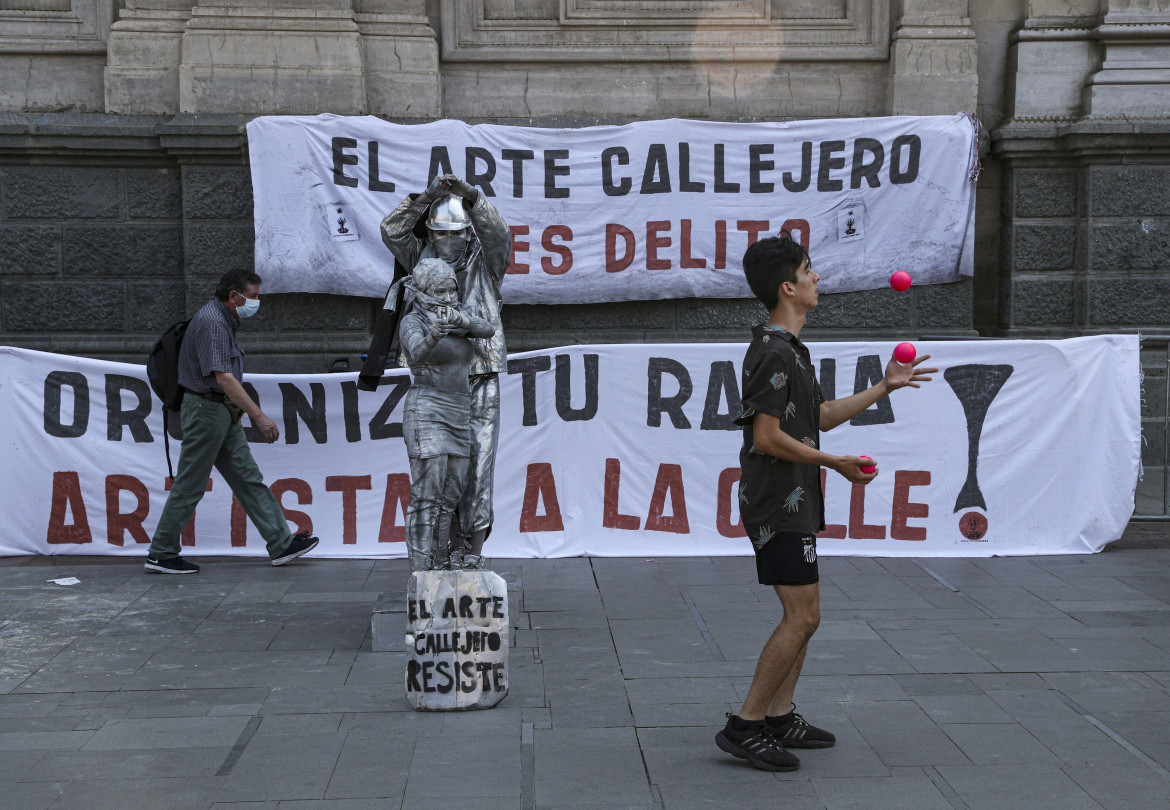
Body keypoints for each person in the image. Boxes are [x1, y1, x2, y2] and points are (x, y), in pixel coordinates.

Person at [715, 232, 936, 771]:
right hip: (776, 503)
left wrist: (886, 386)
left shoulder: (790, 350)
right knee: (802, 615)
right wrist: (833, 463)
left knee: (806, 616)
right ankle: (745, 724)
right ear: (789, 286)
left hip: (794, 498)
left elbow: (819, 418)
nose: (819, 278)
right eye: (810, 271)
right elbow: (766, 437)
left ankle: (780, 714)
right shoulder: (771, 351)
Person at [145, 269, 319, 574]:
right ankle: (161, 552)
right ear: (233, 296)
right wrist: (259, 416)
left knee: (248, 479)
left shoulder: (222, 320)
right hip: (207, 411)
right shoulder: (213, 323)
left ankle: (280, 543)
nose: (256, 302)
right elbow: (224, 378)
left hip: (220, 411)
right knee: (190, 485)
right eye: (251, 297)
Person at [379, 174, 512, 569]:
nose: (448, 242)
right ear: (431, 234)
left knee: (478, 464)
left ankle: (472, 552)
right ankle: (443, 549)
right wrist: (428, 196)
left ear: (468, 233)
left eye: (456, 234)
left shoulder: (485, 261)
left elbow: (499, 233)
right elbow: (392, 228)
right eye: (440, 234)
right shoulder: (422, 260)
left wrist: (470, 196)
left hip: (480, 373)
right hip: (435, 380)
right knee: (440, 471)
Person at [398, 258, 495, 571]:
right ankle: (419, 569)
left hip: (458, 411)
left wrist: (461, 321)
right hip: (427, 408)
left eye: (451, 289)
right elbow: (414, 353)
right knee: (427, 494)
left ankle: (439, 562)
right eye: (439, 290)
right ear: (425, 291)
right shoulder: (413, 321)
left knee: (451, 494)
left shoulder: (458, 313)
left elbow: (487, 328)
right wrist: (434, 335)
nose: (447, 296)